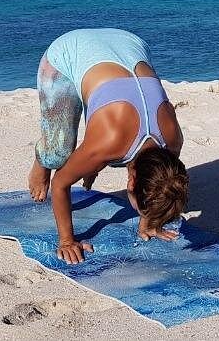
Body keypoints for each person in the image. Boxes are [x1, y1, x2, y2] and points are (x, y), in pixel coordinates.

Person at [28, 28, 188, 263]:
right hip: (68, 51)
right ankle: (41, 162)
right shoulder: (108, 142)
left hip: (129, 42)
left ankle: (86, 161)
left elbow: (151, 173)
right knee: (58, 154)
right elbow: (61, 183)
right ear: (131, 182)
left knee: (94, 156)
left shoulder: (173, 141)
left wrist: (149, 221)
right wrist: (66, 240)